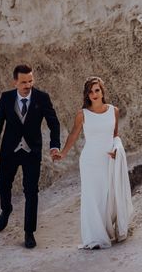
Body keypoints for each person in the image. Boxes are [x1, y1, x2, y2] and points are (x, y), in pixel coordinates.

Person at [0, 64, 60, 248]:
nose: (28, 85)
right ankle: (6, 208)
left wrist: (54, 146)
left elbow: (54, 123)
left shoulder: (42, 98)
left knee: (31, 191)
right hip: (9, 151)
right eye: (24, 82)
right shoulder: (6, 98)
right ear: (15, 82)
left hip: (31, 152)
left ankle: (29, 232)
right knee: (3, 185)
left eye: (30, 81)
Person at [55, 76, 133, 249]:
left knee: (108, 196)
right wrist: (63, 153)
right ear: (87, 95)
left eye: (97, 90)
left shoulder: (114, 111)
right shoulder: (82, 115)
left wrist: (116, 148)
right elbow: (74, 135)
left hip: (108, 159)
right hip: (90, 161)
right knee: (92, 198)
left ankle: (108, 229)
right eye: (90, 92)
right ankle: (95, 238)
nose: (94, 94)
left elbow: (115, 135)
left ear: (102, 91)